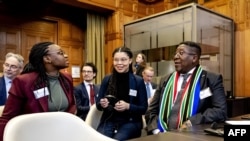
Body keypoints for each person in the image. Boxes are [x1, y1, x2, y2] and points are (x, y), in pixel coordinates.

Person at [145, 41, 227, 135]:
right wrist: (157, 131)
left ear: (194, 58)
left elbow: (220, 111)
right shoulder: (165, 80)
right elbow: (151, 111)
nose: (175, 57)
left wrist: (193, 121)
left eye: (181, 53)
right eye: (175, 53)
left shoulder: (211, 79)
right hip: (161, 134)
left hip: (192, 135)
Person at [0, 41, 76, 140]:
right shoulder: (24, 81)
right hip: (33, 135)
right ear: (47, 59)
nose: (65, 56)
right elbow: (7, 117)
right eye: (60, 53)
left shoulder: (67, 78)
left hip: (62, 134)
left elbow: (72, 106)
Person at [96, 46, 148, 140]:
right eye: (116, 60)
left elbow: (143, 108)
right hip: (109, 120)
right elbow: (98, 105)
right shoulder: (107, 79)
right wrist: (102, 103)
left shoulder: (138, 81)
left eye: (123, 60)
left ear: (130, 60)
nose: (119, 63)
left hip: (130, 122)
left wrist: (128, 106)